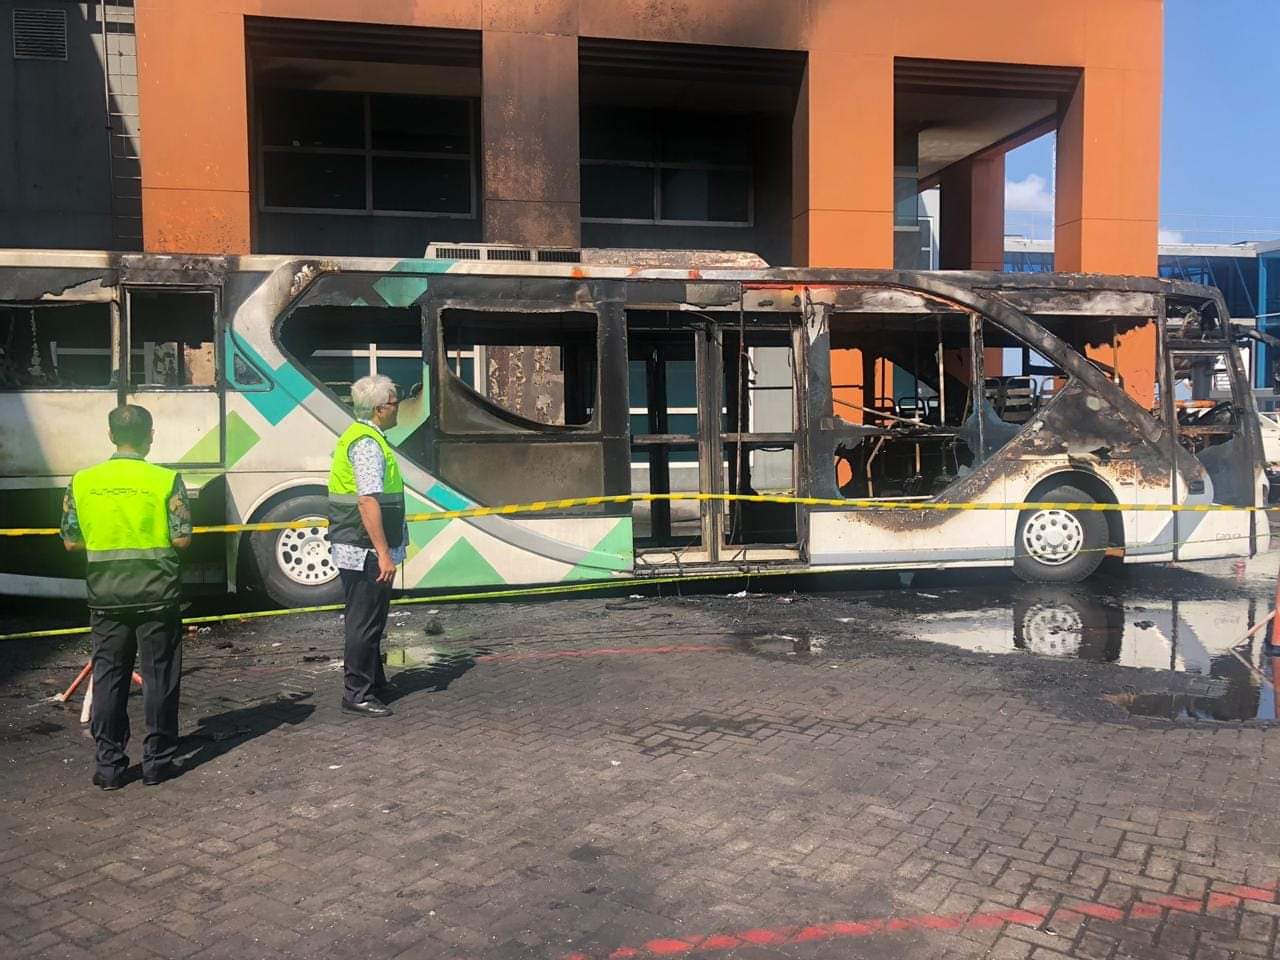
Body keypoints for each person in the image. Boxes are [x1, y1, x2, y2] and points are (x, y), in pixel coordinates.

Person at [61, 404, 191, 790]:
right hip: (157, 594)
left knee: (109, 677)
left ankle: (110, 767)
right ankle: (157, 762)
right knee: (159, 676)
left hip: (106, 595)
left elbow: (71, 542)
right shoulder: (165, 480)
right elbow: (182, 538)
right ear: (150, 436)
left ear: (111, 435)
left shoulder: (82, 481)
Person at [328, 374, 408, 718]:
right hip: (364, 549)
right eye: (394, 402)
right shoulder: (367, 444)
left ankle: (373, 681)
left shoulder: (365, 437)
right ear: (379, 409)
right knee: (364, 621)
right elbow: (367, 500)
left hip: (361, 546)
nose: (398, 408)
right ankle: (357, 692)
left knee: (371, 619)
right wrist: (384, 553)